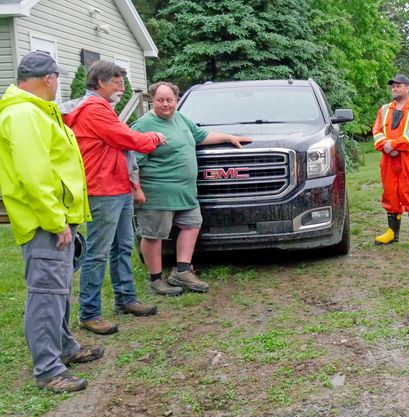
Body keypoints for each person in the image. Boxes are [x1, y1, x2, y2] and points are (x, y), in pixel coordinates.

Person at [0, 51, 103, 392]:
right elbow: (34, 175)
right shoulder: (25, 115)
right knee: (46, 294)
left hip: (56, 217)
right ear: (50, 78)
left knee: (58, 291)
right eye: (58, 77)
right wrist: (55, 219)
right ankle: (48, 369)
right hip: (46, 222)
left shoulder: (36, 112)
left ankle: (65, 348)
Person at [61, 60, 164, 335]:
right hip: (102, 189)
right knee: (98, 252)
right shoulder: (94, 109)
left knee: (123, 246)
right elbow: (127, 139)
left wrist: (132, 183)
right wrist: (153, 137)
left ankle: (125, 298)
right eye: (117, 82)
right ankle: (89, 313)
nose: (122, 87)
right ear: (102, 83)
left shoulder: (104, 108)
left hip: (119, 187)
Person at [132, 82, 250, 293]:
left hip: (185, 192)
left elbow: (200, 136)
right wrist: (137, 190)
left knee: (192, 224)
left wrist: (228, 137)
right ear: (153, 100)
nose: (166, 105)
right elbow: (132, 163)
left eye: (170, 100)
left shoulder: (179, 119)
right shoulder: (143, 126)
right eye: (161, 100)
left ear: (176, 100)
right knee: (153, 234)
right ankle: (156, 280)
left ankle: (182, 272)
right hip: (157, 193)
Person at [372, 74, 409, 248]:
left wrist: (395, 145)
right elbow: (377, 130)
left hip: (408, 159)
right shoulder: (384, 109)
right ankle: (391, 233)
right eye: (393, 86)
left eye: (398, 86)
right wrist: (385, 145)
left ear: (407, 88)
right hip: (388, 160)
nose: (395, 89)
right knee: (390, 193)